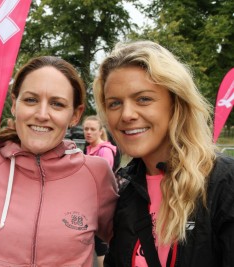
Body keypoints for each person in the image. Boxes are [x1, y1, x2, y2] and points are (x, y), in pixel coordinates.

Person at [93, 40, 234, 267]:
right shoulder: (123, 191)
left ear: (175, 102)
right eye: (115, 103)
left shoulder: (223, 182)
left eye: (143, 99)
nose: (127, 114)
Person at [0, 56, 119, 266]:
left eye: (57, 104)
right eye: (31, 100)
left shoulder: (96, 173)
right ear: (14, 105)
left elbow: (127, 244)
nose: (42, 114)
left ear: (75, 115)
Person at [83, 115, 118, 267]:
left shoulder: (105, 151)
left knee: (101, 247)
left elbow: (104, 182)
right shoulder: (88, 149)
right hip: (89, 202)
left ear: (100, 131)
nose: (88, 132)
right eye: (86, 129)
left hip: (101, 205)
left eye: (92, 129)